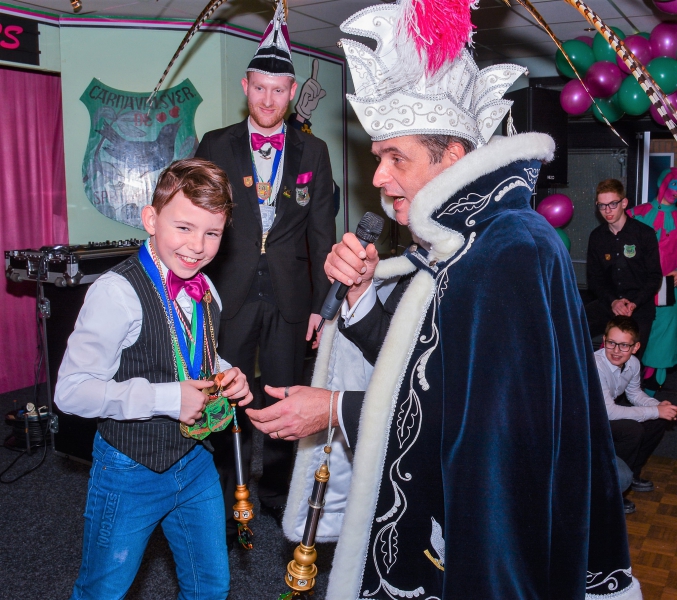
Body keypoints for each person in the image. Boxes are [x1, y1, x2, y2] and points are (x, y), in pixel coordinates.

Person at [246, 2, 639, 598]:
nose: (378, 178)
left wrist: (338, 410)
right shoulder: (455, 244)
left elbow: (496, 433)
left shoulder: (512, 248)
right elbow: (426, 366)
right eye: (378, 158)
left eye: (395, 157)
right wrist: (362, 296)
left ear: (452, 157)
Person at [55, 158, 253, 599]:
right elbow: (71, 391)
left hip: (196, 459)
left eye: (213, 233)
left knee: (210, 587)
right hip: (130, 469)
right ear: (150, 219)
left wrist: (225, 373)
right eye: (183, 227)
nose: (197, 246)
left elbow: (197, 352)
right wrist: (167, 399)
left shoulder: (204, 287)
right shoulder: (116, 293)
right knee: (103, 590)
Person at [194, 2, 335, 531]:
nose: (268, 99)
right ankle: (223, 488)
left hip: (290, 297)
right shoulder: (215, 144)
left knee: (283, 394)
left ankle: (277, 491)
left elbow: (322, 234)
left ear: (292, 92)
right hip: (227, 292)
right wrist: (193, 289)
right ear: (246, 87)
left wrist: (323, 304)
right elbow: (197, 219)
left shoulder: (314, 152)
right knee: (224, 393)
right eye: (259, 88)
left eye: (279, 90)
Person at [595, 315, 677, 508]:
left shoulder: (632, 363)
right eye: (612, 343)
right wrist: (655, 410)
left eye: (624, 345)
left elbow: (634, 394)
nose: (617, 350)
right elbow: (609, 413)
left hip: (604, 414)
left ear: (635, 347)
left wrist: (658, 406)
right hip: (585, 422)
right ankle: (614, 487)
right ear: (604, 341)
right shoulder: (595, 365)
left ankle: (631, 474)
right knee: (632, 430)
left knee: (658, 421)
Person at [586, 178, 662, 358]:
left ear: (624, 203)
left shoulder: (644, 233)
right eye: (602, 205)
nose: (607, 210)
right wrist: (613, 302)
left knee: (630, 361)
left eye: (613, 204)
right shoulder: (596, 237)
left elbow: (654, 277)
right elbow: (594, 279)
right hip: (609, 303)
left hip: (639, 306)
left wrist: (634, 303)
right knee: (573, 325)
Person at [628, 168, 677, 389]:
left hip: (667, 286)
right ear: (663, 182)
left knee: (662, 340)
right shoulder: (637, 213)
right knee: (629, 332)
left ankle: (649, 393)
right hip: (637, 285)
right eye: (674, 184)